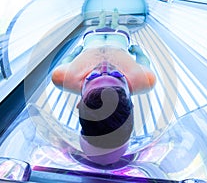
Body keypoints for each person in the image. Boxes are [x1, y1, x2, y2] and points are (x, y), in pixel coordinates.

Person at [52, 9, 156, 165]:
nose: (105, 67)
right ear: (131, 102)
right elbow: (144, 62)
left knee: (100, 25)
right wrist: (138, 52)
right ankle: (114, 18)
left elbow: (65, 61)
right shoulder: (144, 80)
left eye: (92, 77)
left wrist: (75, 53)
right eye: (117, 76)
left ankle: (103, 19)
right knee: (117, 24)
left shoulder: (63, 78)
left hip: (93, 39)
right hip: (118, 39)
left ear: (79, 103)